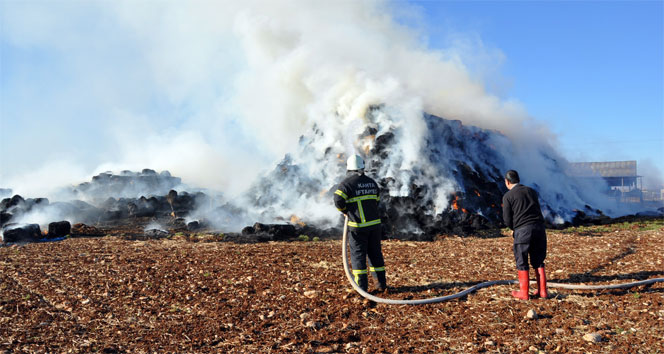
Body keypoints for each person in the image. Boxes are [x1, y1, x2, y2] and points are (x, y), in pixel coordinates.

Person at [333, 154, 387, 293]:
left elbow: (338, 199)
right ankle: (380, 284)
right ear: (363, 167)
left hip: (358, 227)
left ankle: (361, 288)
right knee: (375, 254)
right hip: (374, 226)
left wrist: (345, 210)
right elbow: (377, 199)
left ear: (348, 168)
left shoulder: (346, 184)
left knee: (358, 257)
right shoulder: (371, 182)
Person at [502, 170, 548, 300]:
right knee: (538, 260)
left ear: (507, 181)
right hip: (539, 228)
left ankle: (523, 293)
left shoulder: (508, 196)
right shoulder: (531, 191)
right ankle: (543, 292)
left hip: (523, 231)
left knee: (522, 261)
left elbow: (507, 219)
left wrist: (514, 228)